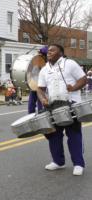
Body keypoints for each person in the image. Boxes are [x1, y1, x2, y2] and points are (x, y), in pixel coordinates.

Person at [37, 44, 87, 176]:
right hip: (53, 105)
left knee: (74, 134)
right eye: (48, 51)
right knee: (53, 135)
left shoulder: (70, 64)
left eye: (52, 50)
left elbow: (83, 79)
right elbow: (40, 89)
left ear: (61, 53)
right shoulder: (44, 69)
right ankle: (58, 162)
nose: (49, 52)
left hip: (70, 103)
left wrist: (74, 87)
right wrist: (43, 99)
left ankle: (78, 164)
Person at [28, 46, 48, 113]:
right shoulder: (38, 61)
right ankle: (33, 115)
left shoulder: (40, 61)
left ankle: (35, 114)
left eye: (41, 54)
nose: (40, 55)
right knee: (36, 101)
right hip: (36, 83)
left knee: (37, 102)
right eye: (39, 53)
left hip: (35, 83)